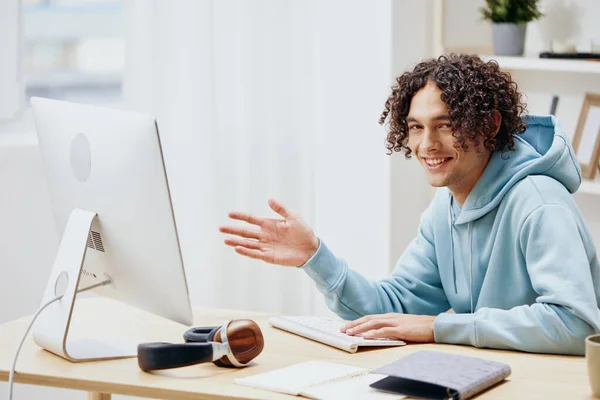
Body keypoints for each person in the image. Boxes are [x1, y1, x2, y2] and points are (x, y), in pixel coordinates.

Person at [219, 54, 600, 356]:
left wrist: (438, 327)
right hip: (493, 376)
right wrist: (315, 256)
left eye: (446, 124)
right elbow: (392, 308)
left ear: (490, 124)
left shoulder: (539, 203)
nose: (427, 145)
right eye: (416, 126)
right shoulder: (445, 207)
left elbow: (576, 324)